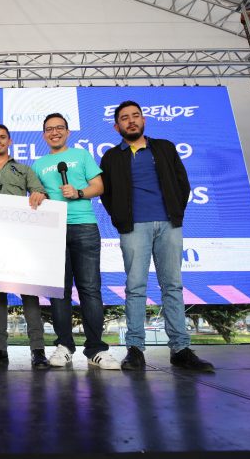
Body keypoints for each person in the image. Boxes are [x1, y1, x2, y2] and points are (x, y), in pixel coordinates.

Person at [100, 100, 214, 372]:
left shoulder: (164, 148)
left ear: (144, 120)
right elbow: (108, 195)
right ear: (117, 126)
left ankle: (180, 349)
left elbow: (182, 184)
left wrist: (174, 213)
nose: (131, 121)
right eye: (125, 118)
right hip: (134, 228)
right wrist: (121, 219)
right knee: (135, 287)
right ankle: (135, 349)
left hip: (168, 225)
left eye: (135, 116)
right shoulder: (111, 157)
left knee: (172, 286)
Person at [32, 113, 120, 370]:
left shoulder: (81, 155)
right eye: (49, 129)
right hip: (54, 230)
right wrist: (38, 195)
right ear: (44, 135)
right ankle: (64, 346)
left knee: (90, 289)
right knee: (59, 292)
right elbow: (36, 194)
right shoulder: (38, 164)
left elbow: (99, 186)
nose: (55, 132)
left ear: (68, 132)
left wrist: (79, 192)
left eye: (59, 128)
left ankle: (96, 349)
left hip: (84, 226)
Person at [0, 124, 50, 369]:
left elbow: (40, 192)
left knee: (29, 293)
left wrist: (38, 195)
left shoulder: (23, 169)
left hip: (21, 239)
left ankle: (38, 350)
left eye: (2, 137)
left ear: (10, 141)